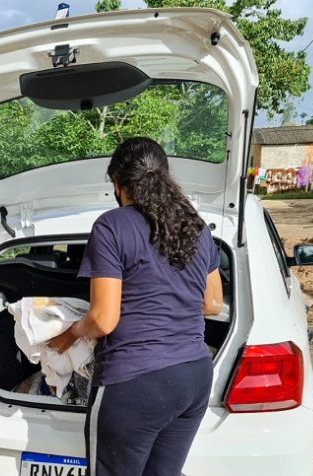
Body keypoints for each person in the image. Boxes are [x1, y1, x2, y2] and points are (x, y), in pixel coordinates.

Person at [48, 137, 224, 476]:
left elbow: (102, 319)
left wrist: (69, 334)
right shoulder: (196, 228)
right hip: (193, 378)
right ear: (165, 177)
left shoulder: (112, 226)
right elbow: (213, 304)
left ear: (118, 183)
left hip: (135, 384)